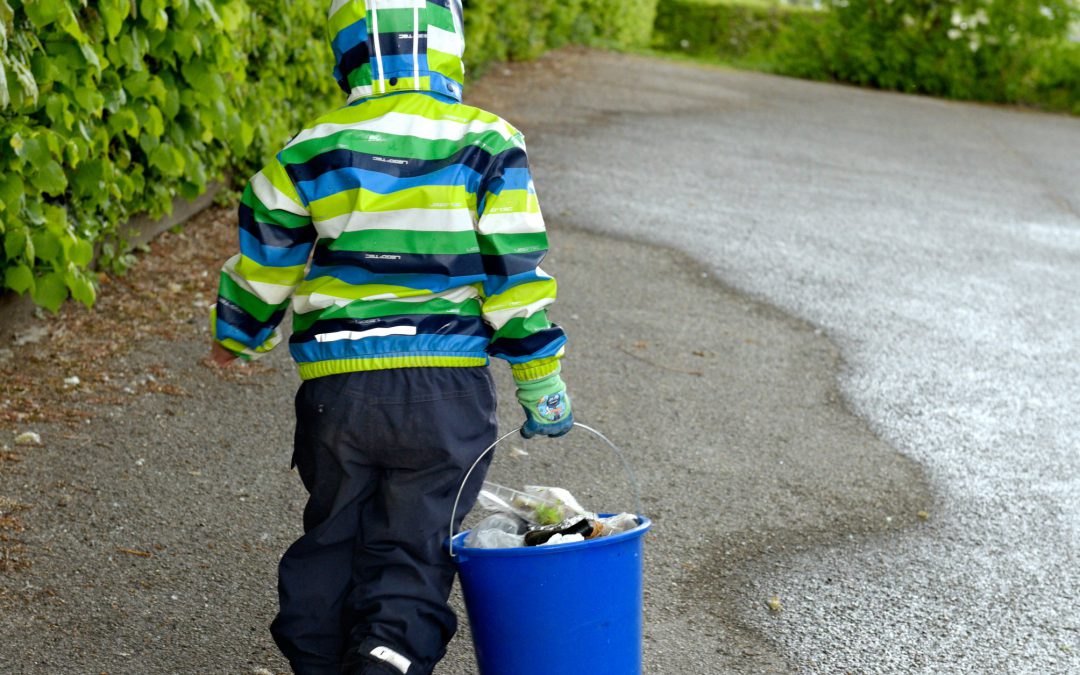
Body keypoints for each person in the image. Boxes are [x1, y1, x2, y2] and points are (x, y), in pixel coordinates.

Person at [207, 1, 572, 673]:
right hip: (446, 390)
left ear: (348, 56)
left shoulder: (311, 146)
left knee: (335, 533)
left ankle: (319, 654)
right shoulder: (488, 143)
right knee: (414, 544)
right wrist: (538, 374)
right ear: (448, 52)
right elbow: (513, 272)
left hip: (338, 392)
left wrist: (239, 332)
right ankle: (387, 655)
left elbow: (266, 254)